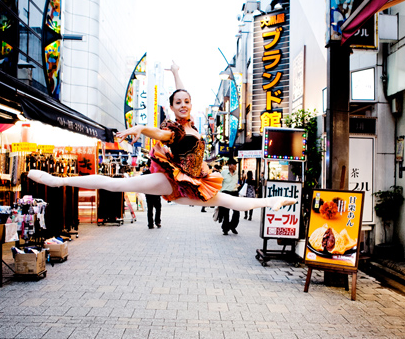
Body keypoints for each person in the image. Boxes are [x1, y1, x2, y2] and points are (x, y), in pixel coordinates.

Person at [27, 62, 296, 214]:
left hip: (193, 184)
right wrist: (140, 128)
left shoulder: (191, 126)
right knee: (118, 184)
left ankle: (270, 202)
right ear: (172, 106)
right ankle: (57, 180)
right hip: (170, 181)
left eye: (187, 101)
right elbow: (161, 134)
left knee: (228, 200)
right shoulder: (175, 130)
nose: (183, 104)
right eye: (178, 102)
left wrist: (177, 71)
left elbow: (180, 92)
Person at [219, 158, 240, 235]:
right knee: (226, 212)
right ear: (229, 166)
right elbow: (219, 183)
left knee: (237, 211)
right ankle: (225, 229)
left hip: (234, 193)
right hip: (225, 193)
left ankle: (232, 226)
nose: (235, 166)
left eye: (235, 165)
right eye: (234, 165)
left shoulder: (236, 173)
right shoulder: (223, 173)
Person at [143, 160, 161, 229]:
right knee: (158, 208)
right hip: (155, 193)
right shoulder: (157, 173)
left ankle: (150, 224)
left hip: (149, 194)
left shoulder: (145, 173)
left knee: (150, 209)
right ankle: (157, 222)